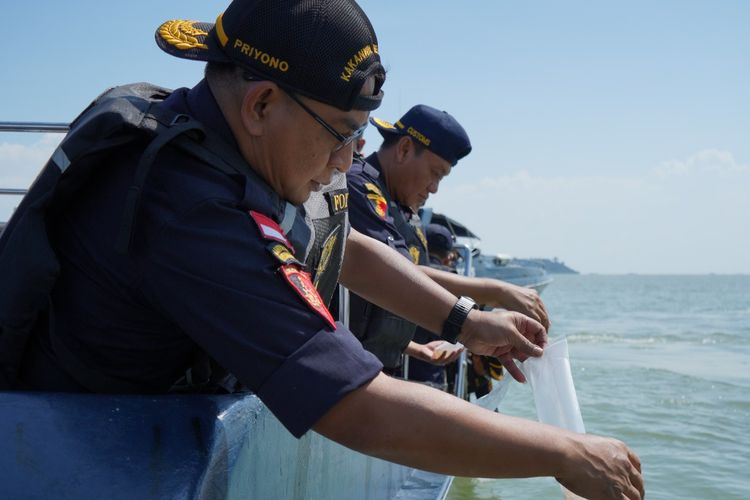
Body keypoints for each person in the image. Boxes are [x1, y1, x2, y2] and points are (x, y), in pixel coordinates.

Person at [3, 1, 643, 498]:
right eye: (342, 135)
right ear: (261, 103)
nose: (346, 163)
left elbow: (346, 245)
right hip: (83, 454)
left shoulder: (230, 146)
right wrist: (565, 452)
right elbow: (352, 406)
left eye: (361, 138)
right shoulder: (190, 207)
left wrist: (466, 323)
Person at [346, 105, 551, 376]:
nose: (434, 188)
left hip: (380, 366)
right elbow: (386, 267)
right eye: (436, 173)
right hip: (351, 368)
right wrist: (494, 291)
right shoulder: (359, 188)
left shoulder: (402, 207)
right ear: (405, 149)